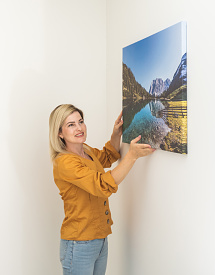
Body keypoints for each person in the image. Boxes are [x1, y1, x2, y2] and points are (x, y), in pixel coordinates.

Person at [49, 104, 155, 275]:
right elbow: (101, 185)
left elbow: (108, 155)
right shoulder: (65, 163)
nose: (79, 128)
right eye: (71, 124)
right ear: (59, 133)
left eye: (81, 121)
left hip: (99, 240)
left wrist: (116, 134)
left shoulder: (86, 151)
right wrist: (132, 156)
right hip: (79, 243)